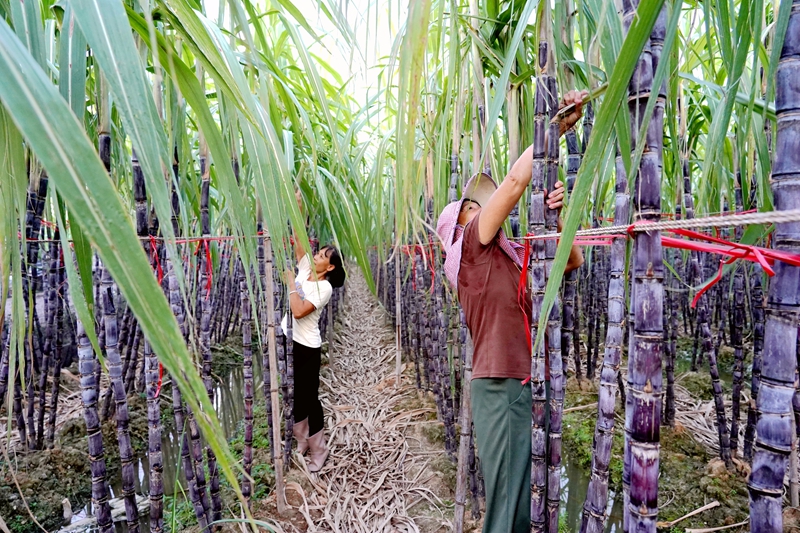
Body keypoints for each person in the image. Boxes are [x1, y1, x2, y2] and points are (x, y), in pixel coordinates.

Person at [436, 90, 587, 533]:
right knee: (506, 508)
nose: (481, 206)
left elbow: (573, 260)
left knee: (520, 505)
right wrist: (553, 126)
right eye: (471, 206)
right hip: (499, 385)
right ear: (458, 227)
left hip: (523, 382)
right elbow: (515, 184)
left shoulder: (504, 254)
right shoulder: (470, 254)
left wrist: (557, 217)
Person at [283, 190, 346, 472]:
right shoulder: (306, 265)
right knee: (297, 395)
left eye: (322, 255)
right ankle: (302, 440)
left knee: (310, 398)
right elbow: (298, 238)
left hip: (307, 346)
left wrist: (289, 284)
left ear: (329, 266)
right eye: (318, 252)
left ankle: (319, 449)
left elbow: (299, 311)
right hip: (289, 340)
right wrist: (297, 205)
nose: (316, 254)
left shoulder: (325, 287)